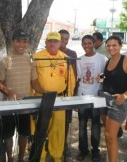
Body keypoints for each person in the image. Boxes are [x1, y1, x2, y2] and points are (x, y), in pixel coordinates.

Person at [0, 29, 44, 162]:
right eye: (18, 41)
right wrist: (9, 92)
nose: (21, 44)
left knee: (24, 134)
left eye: (24, 41)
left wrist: (45, 93)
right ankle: (10, 158)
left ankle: (21, 159)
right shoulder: (5, 61)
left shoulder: (30, 60)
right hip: (8, 104)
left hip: (25, 104)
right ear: (12, 42)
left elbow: (34, 83)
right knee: (8, 135)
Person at [97, 35, 127, 162]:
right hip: (104, 99)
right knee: (109, 135)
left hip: (118, 101)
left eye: (114, 45)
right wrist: (101, 77)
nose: (111, 48)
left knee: (110, 135)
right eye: (108, 45)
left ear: (120, 46)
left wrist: (125, 96)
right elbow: (112, 77)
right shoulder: (109, 60)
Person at [32, 31, 76, 162]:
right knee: (41, 129)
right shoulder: (37, 57)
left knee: (58, 130)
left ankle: (57, 156)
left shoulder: (65, 58)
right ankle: (40, 156)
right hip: (41, 99)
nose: (52, 43)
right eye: (50, 41)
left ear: (60, 43)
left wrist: (68, 100)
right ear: (45, 42)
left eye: (55, 41)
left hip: (59, 99)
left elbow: (71, 81)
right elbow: (31, 80)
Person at [75, 35, 107, 162]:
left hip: (96, 96)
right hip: (82, 96)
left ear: (94, 44)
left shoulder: (102, 58)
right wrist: (76, 99)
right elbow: (78, 79)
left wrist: (102, 77)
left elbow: (106, 75)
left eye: (89, 43)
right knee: (82, 125)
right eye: (84, 44)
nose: (86, 46)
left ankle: (95, 151)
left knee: (95, 125)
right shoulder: (79, 59)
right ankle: (83, 150)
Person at [58, 29, 78, 157]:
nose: (64, 41)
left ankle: (63, 145)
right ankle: (52, 143)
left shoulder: (72, 53)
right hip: (54, 93)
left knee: (65, 121)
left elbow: (75, 74)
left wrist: (74, 93)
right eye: (62, 38)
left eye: (66, 39)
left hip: (67, 94)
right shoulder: (51, 52)